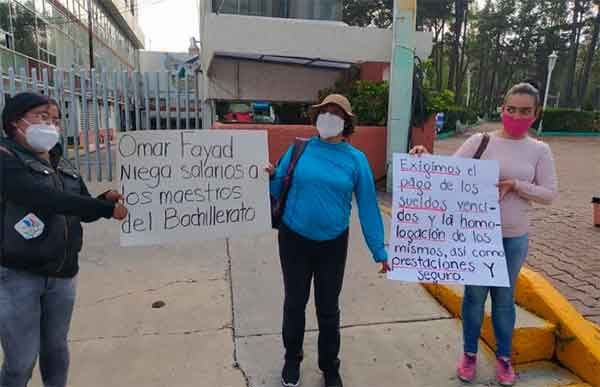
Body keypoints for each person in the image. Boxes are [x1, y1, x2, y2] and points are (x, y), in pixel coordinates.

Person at [410, 83, 558, 386]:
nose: (517, 115)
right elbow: (449, 173)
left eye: (525, 111)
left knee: (504, 299)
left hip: (514, 238)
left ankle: (505, 359)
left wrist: (516, 184)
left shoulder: (540, 150)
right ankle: (469, 354)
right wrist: (424, 158)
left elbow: (549, 194)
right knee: (474, 297)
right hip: (477, 236)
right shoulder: (482, 141)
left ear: (535, 113)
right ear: (502, 109)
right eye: (511, 109)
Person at [0, 92, 128, 387]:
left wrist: (102, 200)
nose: (51, 125)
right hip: (19, 276)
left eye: (56, 119)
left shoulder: (63, 162)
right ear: (15, 122)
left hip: (63, 275)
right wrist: (105, 209)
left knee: (56, 350)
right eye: (42, 117)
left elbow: (79, 207)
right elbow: (45, 199)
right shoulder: (5, 159)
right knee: (20, 361)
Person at [267, 94, 390, 387]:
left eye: (336, 113)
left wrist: (379, 250)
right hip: (293, 237)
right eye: (324, 112)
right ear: (316, 117)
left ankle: (329, 366)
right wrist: (268, 175)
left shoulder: (356, 160)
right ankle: (292, 359)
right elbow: (276, 185)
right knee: (295, 303)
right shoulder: (299, 149)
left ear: (346, 122)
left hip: (333, 244)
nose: (329, 117)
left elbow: (369, 208)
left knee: (328, 307)